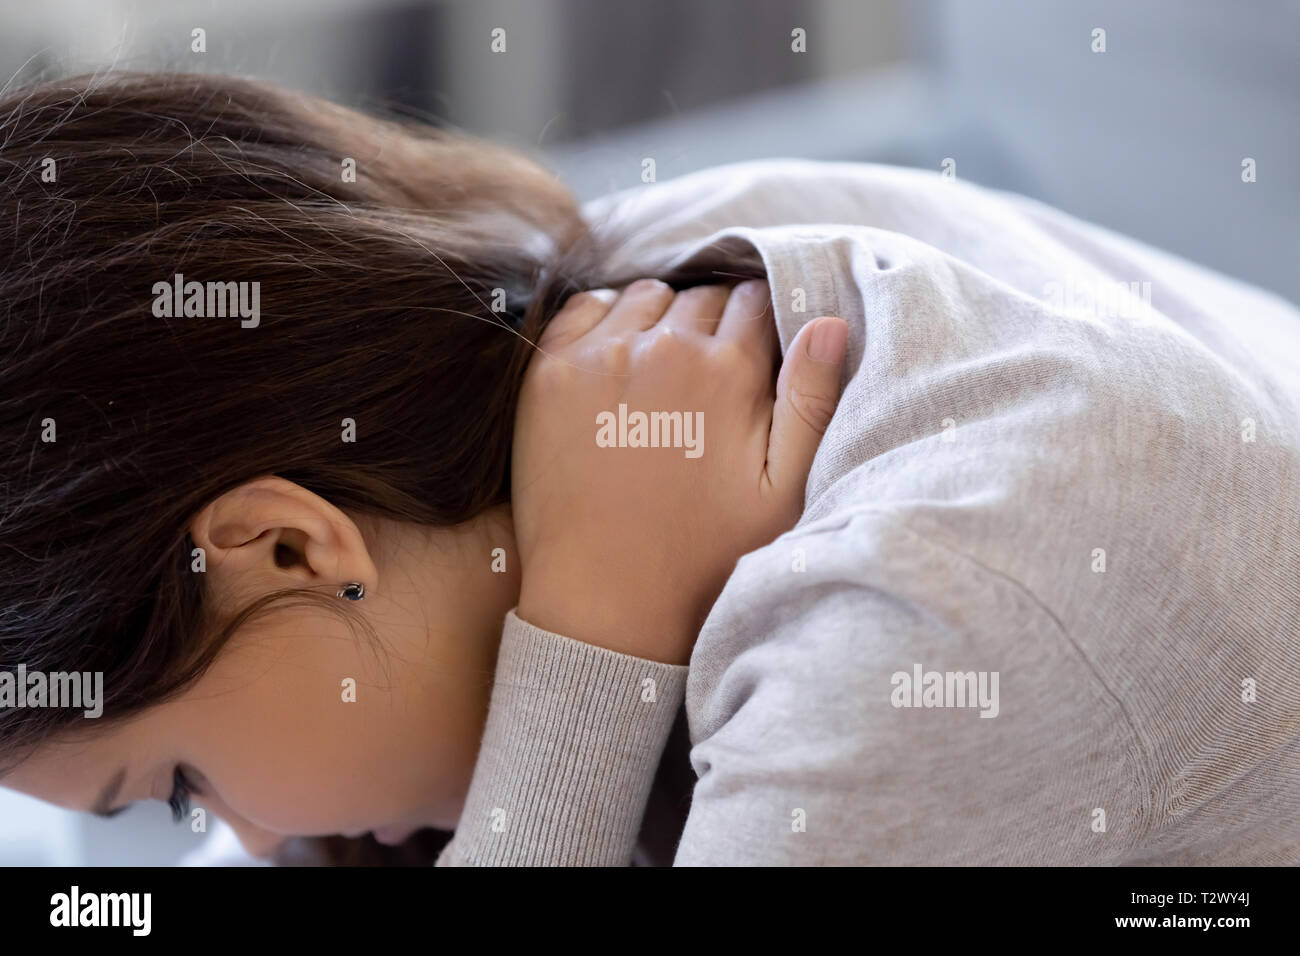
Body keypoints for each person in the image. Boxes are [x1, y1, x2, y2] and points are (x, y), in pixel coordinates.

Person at [4, 70, 1299, 866]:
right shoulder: (595, 299)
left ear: (288, 547)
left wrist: (598, 638)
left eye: (178, 789)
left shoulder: (915, 623)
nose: (255, 836)